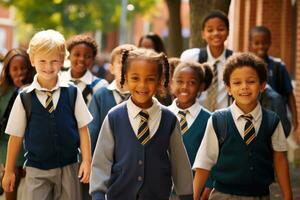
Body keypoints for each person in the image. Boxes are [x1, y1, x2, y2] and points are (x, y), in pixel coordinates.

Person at [90, 48, 193, 200]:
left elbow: (180, 163)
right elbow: (102, 161)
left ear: (160, 81)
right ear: (125, 78)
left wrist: (186, 194)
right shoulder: (114, 117)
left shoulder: (169, 119)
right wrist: (98, 194)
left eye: (150, 79)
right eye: (135, 78)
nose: (142, 85)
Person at [1, 29, 93, 200]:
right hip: (37, 169)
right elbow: (15, 137)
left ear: (63, 60)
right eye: (42, 61)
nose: (48, 67)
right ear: (32, 60)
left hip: (69, 166)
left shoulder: (72, 93)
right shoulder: (25, 97)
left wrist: (86, 161)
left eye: (54, 61)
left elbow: (83, 128)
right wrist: (8, 171)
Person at [193, 52, 292, 200]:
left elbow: (280, 159)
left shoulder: (272, 121)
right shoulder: (218, 120)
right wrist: (194, 196)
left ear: (262, 85)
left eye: (251, 81)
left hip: (260, 195)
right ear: (228, 88)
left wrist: (288, 195)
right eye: (237, 83)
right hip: (222, 195)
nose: (244, 87)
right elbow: (204, 162)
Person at [249, 25, 298, 135]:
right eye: (257, 43)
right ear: (251, 44)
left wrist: (295, 118)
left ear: (270, 42)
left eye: (264, 42)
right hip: (252, 118)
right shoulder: (246, 66)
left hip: (276, 117)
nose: (261, 46)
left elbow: (289, 93)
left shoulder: (278, 66)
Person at [180, 10, 233, 112]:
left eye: (221, 29)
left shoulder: (234, 61)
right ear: (203, 34)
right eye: (210, 30)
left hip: (225, 119)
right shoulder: (191, 57)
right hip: (196, 116)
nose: (216, 33)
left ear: (228, 32)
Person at [88, 44, 137, 154]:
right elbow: (92, 130)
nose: (125, 67)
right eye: (120, 62)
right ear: (111, 68)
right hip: (105, 157)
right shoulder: (100, 95)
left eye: (129, 63)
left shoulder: (141, 96)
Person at [0, 48, 35, 200]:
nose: (20, 72)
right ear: (7, 70)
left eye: (23, 68)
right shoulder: (2, 91)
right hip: (6, 147)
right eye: (15, 69)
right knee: (10, 188)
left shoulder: (32, 90)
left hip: (28, 147)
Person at [169, 61, 213, 165]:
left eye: (191, 83)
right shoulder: (161, 115)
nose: (184, 86)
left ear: (201, 86)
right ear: (172, 83)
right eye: (179, 81)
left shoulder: (209, 120)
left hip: (196, 180)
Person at [61, 34, 108, 105]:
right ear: (68, 56)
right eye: (77, 55)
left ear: (93, 59)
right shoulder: (59, 80)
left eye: (88, 56)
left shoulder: (100, 86)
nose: (82, 59)